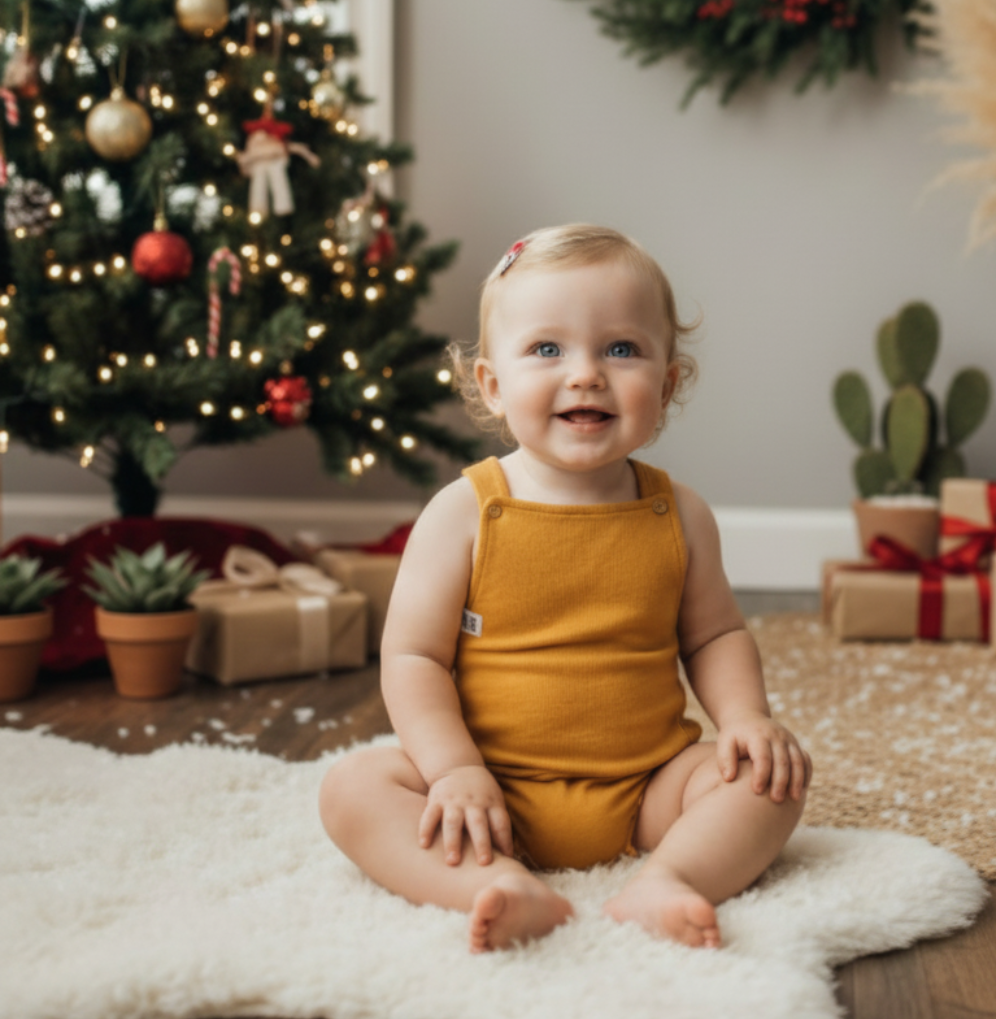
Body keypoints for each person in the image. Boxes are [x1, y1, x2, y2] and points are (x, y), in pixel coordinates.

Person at [319, 224, 811, 953]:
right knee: (352, 788)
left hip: (648, 790)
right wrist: (454, 771)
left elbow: (715, 636)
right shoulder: (464, 511)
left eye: (621, 348)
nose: (586, 373)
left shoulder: (678, 514)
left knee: (773, 780)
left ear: (668, 383)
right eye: (548, 349)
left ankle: (669, 878)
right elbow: (413, 658)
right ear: (493, 384)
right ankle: (491, 885)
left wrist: (745, 718)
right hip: (491, 791)